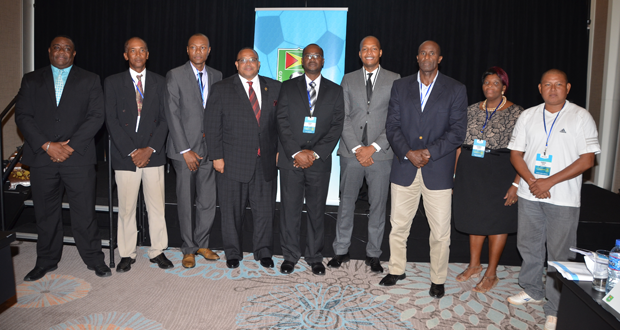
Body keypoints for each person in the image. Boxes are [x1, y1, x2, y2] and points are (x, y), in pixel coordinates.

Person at [507, 69, 600, 330]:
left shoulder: (581, 116)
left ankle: (556, 307)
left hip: (564, 198)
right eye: (548, 84)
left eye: (558, 84)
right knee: (529, 246)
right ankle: (533, 290)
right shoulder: (528, 116)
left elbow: (587, 159)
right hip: (529, 194)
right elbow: (516, 154)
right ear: (540, 88)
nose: (553, 88)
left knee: (560, 254)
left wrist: (549, 181)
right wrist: (533, 182)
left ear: (568, 88)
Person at [16, 36, 111, 280]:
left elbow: (96, 116)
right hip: (42, 156)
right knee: (45, 213)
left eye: (67, 48)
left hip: (77, 157)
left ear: (74, 53)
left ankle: (94, 259)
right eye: (57, 47)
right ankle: (46, 260)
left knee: (84, 212)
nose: (62, 52)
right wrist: (47, 145)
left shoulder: (90, 79)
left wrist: (70, 146)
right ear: (49, 51)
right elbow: (23, 116)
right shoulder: (31, 79)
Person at [381, 40, 468, 299]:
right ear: (417, 57)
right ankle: (397, 269)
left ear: (439, 58)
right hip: (405, 166)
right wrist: (409, 152)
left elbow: (457, 132)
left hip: (438, 169)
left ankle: (438, 278)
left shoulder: (455, 89)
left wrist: (428, 152)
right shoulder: (400, 86)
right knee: (398, 225)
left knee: (440, 231)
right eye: (423, 53)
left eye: (432, 53)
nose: (427, 56)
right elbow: (392, 126)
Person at [328, 36, 400, 273]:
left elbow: (395, 119)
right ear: (360, 54)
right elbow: (343, 116)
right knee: (346, 202)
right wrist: (359, 149)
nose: (369, 52)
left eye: (373, 49)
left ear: (380, 52)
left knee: (378, 205)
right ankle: (340, 250)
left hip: (381, 155)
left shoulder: (394, 79)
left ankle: (374, 254)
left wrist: (374, 147)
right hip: (351, 153)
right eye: (364, 49)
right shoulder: (348, 79)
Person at [205, 48, 281, 269]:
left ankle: (264, 251)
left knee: (265, 210)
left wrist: (279, 150)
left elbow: (282, 124)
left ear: (259, 64)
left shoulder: (275, 87)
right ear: (236, 65)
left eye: (253, 60)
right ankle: (233, 252)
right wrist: (216, 156)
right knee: (231, 211)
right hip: (232, 162)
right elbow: (212, 126)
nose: (248, 63)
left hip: (266, 161)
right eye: (243, 60)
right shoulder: (221, 88)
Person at [104, 37, 172, 272]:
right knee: (126, 208)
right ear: (126, 55)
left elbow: (166, 119)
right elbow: (111, 120)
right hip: (126, 155)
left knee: (156, 206)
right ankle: (126, 253)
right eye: (132, 51)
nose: (138, 54)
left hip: (153, 153)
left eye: (142, 50)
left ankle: (158, 251)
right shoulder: (112, 82)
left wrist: (150, 149)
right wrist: (133, 151)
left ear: (147, 54)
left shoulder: (161, 82)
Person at [452, 67, 524, 292]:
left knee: (497, 223)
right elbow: (459, 146)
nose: (490, 87)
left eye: (495, 83)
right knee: (475, 218)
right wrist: (455, 176)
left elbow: (525, 151)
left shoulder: (518, 113)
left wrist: (516, 183)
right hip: (471, 173)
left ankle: (491, 273)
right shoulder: (471, 109)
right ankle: (474, 265)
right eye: (486, 83)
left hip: (500, 173)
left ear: (504, 87)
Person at [276, 43, 344, 275]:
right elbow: (281, 121)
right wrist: (297, 152)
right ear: (302, 61)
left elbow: (336, 126)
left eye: (317, 56)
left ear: (323, 61)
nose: (312, 59)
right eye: (308, 56)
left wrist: (313, 154)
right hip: (291, 160)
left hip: (319, 161)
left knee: (316, 211)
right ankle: (290, 256)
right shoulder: (287, 87)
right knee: (290, 210)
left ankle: (315, 256)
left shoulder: (336, 91)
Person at [165, 33, 222, 268]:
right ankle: (188, 248)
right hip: (184, 151)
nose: (198, 52)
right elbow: (172, 114)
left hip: (209, 150)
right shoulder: (175, 75)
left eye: (203, 48)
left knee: (208, 201)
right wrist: (185, 150)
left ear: (209, 51)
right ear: (187, 50)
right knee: (186, 201)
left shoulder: (217, 76)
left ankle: (202, 243)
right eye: (193, 48)